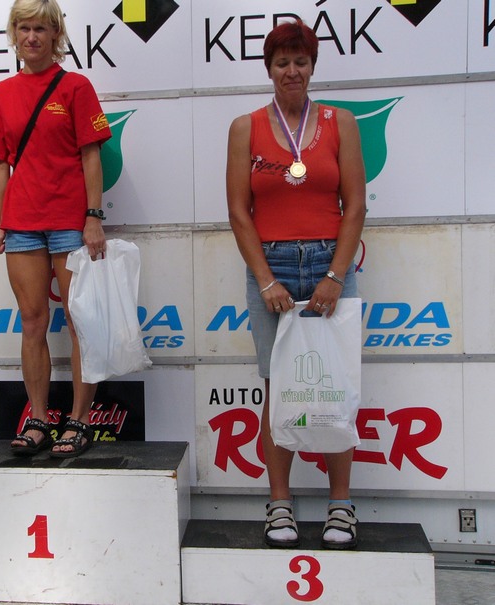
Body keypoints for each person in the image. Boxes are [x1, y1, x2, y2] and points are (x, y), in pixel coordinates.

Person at [226, 20, 366, 549]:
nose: (292, 71)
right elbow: (238, 212)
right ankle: (279, 503)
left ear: (312, 67)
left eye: (300, 61)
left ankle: (341, 505)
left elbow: (355, 206)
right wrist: (265, 280)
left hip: (331, 262)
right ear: (269, 69)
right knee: (279, 387)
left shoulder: (340, 123)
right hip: (273, 267)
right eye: (282, 62)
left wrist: (335, 275)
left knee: (335, 385)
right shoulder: (245, 128)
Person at [0, 0, 112, 458]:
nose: (31, 37)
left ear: (56, 34)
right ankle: (37, 420)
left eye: (40, 28)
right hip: (22, 224)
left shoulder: (76, 86)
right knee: (32, 322)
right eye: (24, 28)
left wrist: (93, 216)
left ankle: (80, 420)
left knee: (79, 323)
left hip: (71, 223)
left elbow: (92, 155)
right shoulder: (0, 94)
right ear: (13, 34)